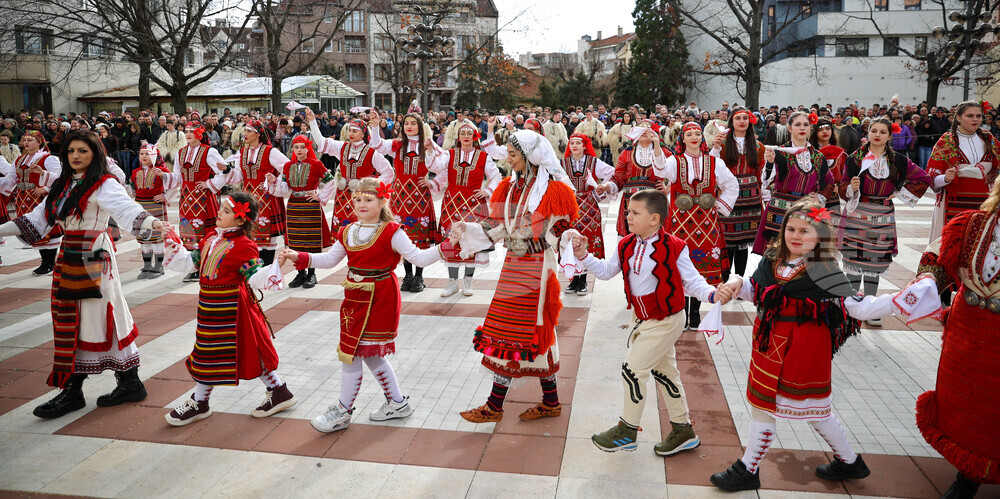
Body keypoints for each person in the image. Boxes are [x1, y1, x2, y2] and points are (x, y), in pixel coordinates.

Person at [709, 197, 940, 492]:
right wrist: (738, 284)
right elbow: (757, 291)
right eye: (790, 229)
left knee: (806, 409)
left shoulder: (825, 272)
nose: (795, 236)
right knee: (796, 409)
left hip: (803, 350)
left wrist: (901, 300)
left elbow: (858, 307)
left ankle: (749, 468)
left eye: (804, 231)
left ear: (820, 237)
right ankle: (847, 461)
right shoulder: (771, 261)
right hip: (769, 345)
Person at [0, 130, 165, 419]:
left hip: (93, 254)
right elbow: (36, 220)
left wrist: (151, 222)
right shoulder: (63, 184)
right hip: (69, 252)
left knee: (99, 315)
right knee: (71, 316)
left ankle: (96, 386)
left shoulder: (103, 184)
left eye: (83, 151)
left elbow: (126, 209)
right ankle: (111, 384)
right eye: (71, 151)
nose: (76, 156)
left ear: (95, 154)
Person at [566, 189, 730, 454]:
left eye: (634, 212)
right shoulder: (626, 244)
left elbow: (692, 280)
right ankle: (683, 430)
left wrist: (712, 293)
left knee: (632, 371)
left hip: (667, 319)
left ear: (654, 219)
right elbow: (607, 272)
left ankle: (627, 430)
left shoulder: (675, 246)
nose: (628, 216)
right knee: (665, 374)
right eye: (628, 211)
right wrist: (584, 255)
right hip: (641, 318)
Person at [279, 177, 444, 433]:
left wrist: (448, 246)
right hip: (354, 299)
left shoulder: (392, 231)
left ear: (382, 201)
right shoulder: (347, 230)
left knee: (353, 355)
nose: (362, 204)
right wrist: (299, 256)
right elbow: (331, 259)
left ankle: (343, 411)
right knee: (370, 354)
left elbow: (419, 258)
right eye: (358, 199)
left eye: (369, 199)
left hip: (380, 297)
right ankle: (398, 404)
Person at [448, 130, 578, 423]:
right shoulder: (508, 187)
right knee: (516, 331)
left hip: (538, 266)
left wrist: (571, 241)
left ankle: (495, 406)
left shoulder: (553, 190)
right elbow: (495, 226)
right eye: (507, 153)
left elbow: (559, 233)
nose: (508, 159)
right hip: (514, 265)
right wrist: (465, 229)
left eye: (513, 154)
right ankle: (550, 401)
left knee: (527, 331)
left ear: (530, 157)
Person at [162, 191, 294, 426]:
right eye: (220, 208)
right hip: (209, 306)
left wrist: (276, 267)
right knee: (214, 351)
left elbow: (254, 276)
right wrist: (173, 242)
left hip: (233, 310)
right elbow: (193, 263)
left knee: (228, 351)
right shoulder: (211, 238)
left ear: (241, 219)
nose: (218, 213)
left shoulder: (244, 246)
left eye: (225, 211)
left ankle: (201, 401)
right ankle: (279, 391)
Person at [916, 177, 1000, 498]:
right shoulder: (971, 223)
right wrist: (926, 283)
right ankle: (968, 476)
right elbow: (936, 259)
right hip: (967, 338)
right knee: (968, 406)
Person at [840, 117, 930, 325]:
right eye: (874, 130)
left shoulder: (898, 160)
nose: (877, 135)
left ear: (890, 136)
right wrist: (851, 188)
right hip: (857, 212)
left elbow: (922, 178)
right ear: (867, 133)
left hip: (883, 216)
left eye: (882, 131)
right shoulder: (854, 158)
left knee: (875, 262)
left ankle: (871, 309)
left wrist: (899, 193)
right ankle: (852, 308)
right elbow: (842, 185)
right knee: (853, 262)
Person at [660, 122, 739, 329]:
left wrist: (719, 207)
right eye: (689, 134)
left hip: (706, 223)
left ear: (702, 138)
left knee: (700, 265)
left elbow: (731, 184)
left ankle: (694, 313)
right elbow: (660, 171)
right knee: (680, 263)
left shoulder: (714, 163)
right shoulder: (674, 161)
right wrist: (653, 146)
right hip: (680, 223)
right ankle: (681, 312)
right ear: (682, 139)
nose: (694, 137)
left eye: (697, 134)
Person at [367, 112, 440, 293]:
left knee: (419, 235)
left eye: (413, 123)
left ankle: (419, 277)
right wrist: (376, 126)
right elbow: (376, 144)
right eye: (406, 122)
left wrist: (434, 183)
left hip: (419, 197)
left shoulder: (427, 145)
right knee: (403, 236)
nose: (409, 126)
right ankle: (408, 275)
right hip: (400, 196)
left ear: (420, 127)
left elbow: (441, 167)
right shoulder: (397, 145)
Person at [429, 120, 502, 297]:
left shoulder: (483, 156)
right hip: (452, 205)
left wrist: (487, 191)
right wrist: (431, 150)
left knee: (472, 240)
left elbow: (496, 176)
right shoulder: (450, 154)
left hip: (474, 205)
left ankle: (468, 281)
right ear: (459, 137)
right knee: (451, 239)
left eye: (469, 134)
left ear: (475, 137)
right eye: (463, 134)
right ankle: (452, 282)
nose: (466, 136)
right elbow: (436, 167)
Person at [208, 120, 289, 266]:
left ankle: (268, 269)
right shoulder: (243, 152)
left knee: (267, 237)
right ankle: (255, 269)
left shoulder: (270, 151)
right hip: (248, 199)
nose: (244, 134)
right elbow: (239, 176)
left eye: (248, 131)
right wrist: (227, 170)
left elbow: (288, 168)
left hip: (267, 198)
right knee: (251, 234)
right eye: (244, 131)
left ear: (258, 134)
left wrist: (276, 181)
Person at [753, 111, 835, 255]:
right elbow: (766, 180)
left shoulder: (817, 157)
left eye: (806, 125)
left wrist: (820, 198)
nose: (802, 128)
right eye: (797, 124)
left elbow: (829, 182)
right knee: (775, 257)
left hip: (805, 211)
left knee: (800, 258)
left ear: (811, 129)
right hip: (779, 211)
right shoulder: (779, 153)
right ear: (790, 128)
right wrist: (770, 162)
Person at [156, 122, 227, 282]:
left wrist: (209, 184)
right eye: (186, 131)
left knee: (204, 232)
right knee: (188, 232)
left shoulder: (210, 151)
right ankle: (193, 266)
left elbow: (224, 171)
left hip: (204, 197)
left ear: (199, 133)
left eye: (192, 131)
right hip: (187, 198)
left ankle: (206, 265)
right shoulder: (181, 152)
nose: (188, 134)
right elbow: (178, 176)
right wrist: (164, 176)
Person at [306, 108, 394, 234]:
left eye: (355, 131)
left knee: (361, 234)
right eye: (349, 130)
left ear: (363, 134)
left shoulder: (371, 152)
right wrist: (312, 121)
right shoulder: (342, 147)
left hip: (362, 198)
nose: (350, 134)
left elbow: (388, 172)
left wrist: (371, 186)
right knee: (342, 235)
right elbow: (321, 142)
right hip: (342, 199)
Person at [926, 101, 1000, 246]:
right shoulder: (946, 141)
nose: (975, 119)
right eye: (970, 115)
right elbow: (931, 176)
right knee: (953, 244)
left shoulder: (988, 138)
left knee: (979, 244)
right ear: (958, 118)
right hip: (954, 201)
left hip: (984, 202)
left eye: (979, 116)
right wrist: (945, 178)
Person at [267, 135, 336, 288]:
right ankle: (300, 273)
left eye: (302, 147)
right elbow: (284, 188)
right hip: (294, 206)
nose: (299, 150)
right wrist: (274, 181)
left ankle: (312, 274)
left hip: (310, 206)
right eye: (296, 147)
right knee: (296, 241)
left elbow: (330, 181)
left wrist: (319, 196)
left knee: (311, 240)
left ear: (308, 148)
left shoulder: (316, 164)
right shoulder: (287, 166)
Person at [710, 107, 765, 282]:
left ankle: (739, 281)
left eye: (745, 118)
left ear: (750, 122)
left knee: (743, 243)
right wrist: (716, 147)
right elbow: (712, 165)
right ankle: (725, 279)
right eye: (738, 118)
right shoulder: (724, 143)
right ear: (731, 122)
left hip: (750, 197)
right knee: (727, 241)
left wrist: (763, 196)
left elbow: (761, 173)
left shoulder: (758, 146)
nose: (742, 121)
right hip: (727, 195)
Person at [560, 133, 616, 295]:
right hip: (570, 206)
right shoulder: (562, 163)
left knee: (586, 240)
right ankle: (573, 280)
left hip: (589, 207)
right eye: (572, 143)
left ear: (585, 146)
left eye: (578, 143)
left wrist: (600, 191)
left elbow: (611, 173)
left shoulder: (592, 162)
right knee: (571, 239)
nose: (575, 146)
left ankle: (583, 279)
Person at [12, 130, 63, 275]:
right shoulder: (19, 160)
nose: (26, 143)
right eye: (25, 140)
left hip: (41, 198)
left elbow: (60, 177)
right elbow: (11, 179)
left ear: (39, 142)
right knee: (33, 228)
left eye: (30, 140)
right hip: (24, 199)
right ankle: (45, 262)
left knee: (46, 227)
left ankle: (49, 262)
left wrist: (45, 187)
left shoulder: (48, 158)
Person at [611, 120, 670, 238]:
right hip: (631, 201)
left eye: (648, 128)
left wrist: (668, 188)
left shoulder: (664, 152)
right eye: (641, 128)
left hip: (655, 201)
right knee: (631, 236)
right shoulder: (626, 153)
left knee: (655, 234)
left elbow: (677, 173)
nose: (644, 130)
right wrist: (607, 186)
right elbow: (618, 178)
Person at [130, 144, 171, 279]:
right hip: (140, 206)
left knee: (157, 237)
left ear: (154, 155)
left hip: (156, 206)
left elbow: (174, 185)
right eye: (142, 154)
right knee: (144, 237)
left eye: (147, 154)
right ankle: (147, 266)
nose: (144, 156)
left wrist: (165, 196)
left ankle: (159, 266)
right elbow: (132, 189)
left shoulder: (162, 170)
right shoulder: (135, 172)